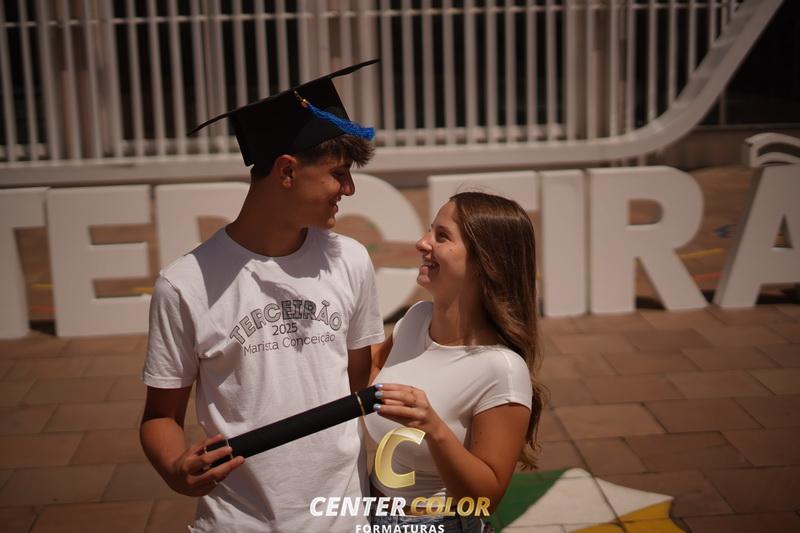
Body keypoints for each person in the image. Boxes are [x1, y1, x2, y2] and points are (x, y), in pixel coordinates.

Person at [140, 60, 385, 532]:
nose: (349, 189)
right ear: (287, 171)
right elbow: (159, 417)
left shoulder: (350, 260)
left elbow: (358, 384)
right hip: (238, 522)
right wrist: (175, 468)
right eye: (338, 173)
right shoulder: (185, 284)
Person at [366, 191, 544, 532]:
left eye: (442, 236)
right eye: (429, 231)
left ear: (484, 263)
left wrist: (434, 428)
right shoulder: (415, 319)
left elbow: (486, 499)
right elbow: (368, 372)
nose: (422, 243)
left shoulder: (502, 369)